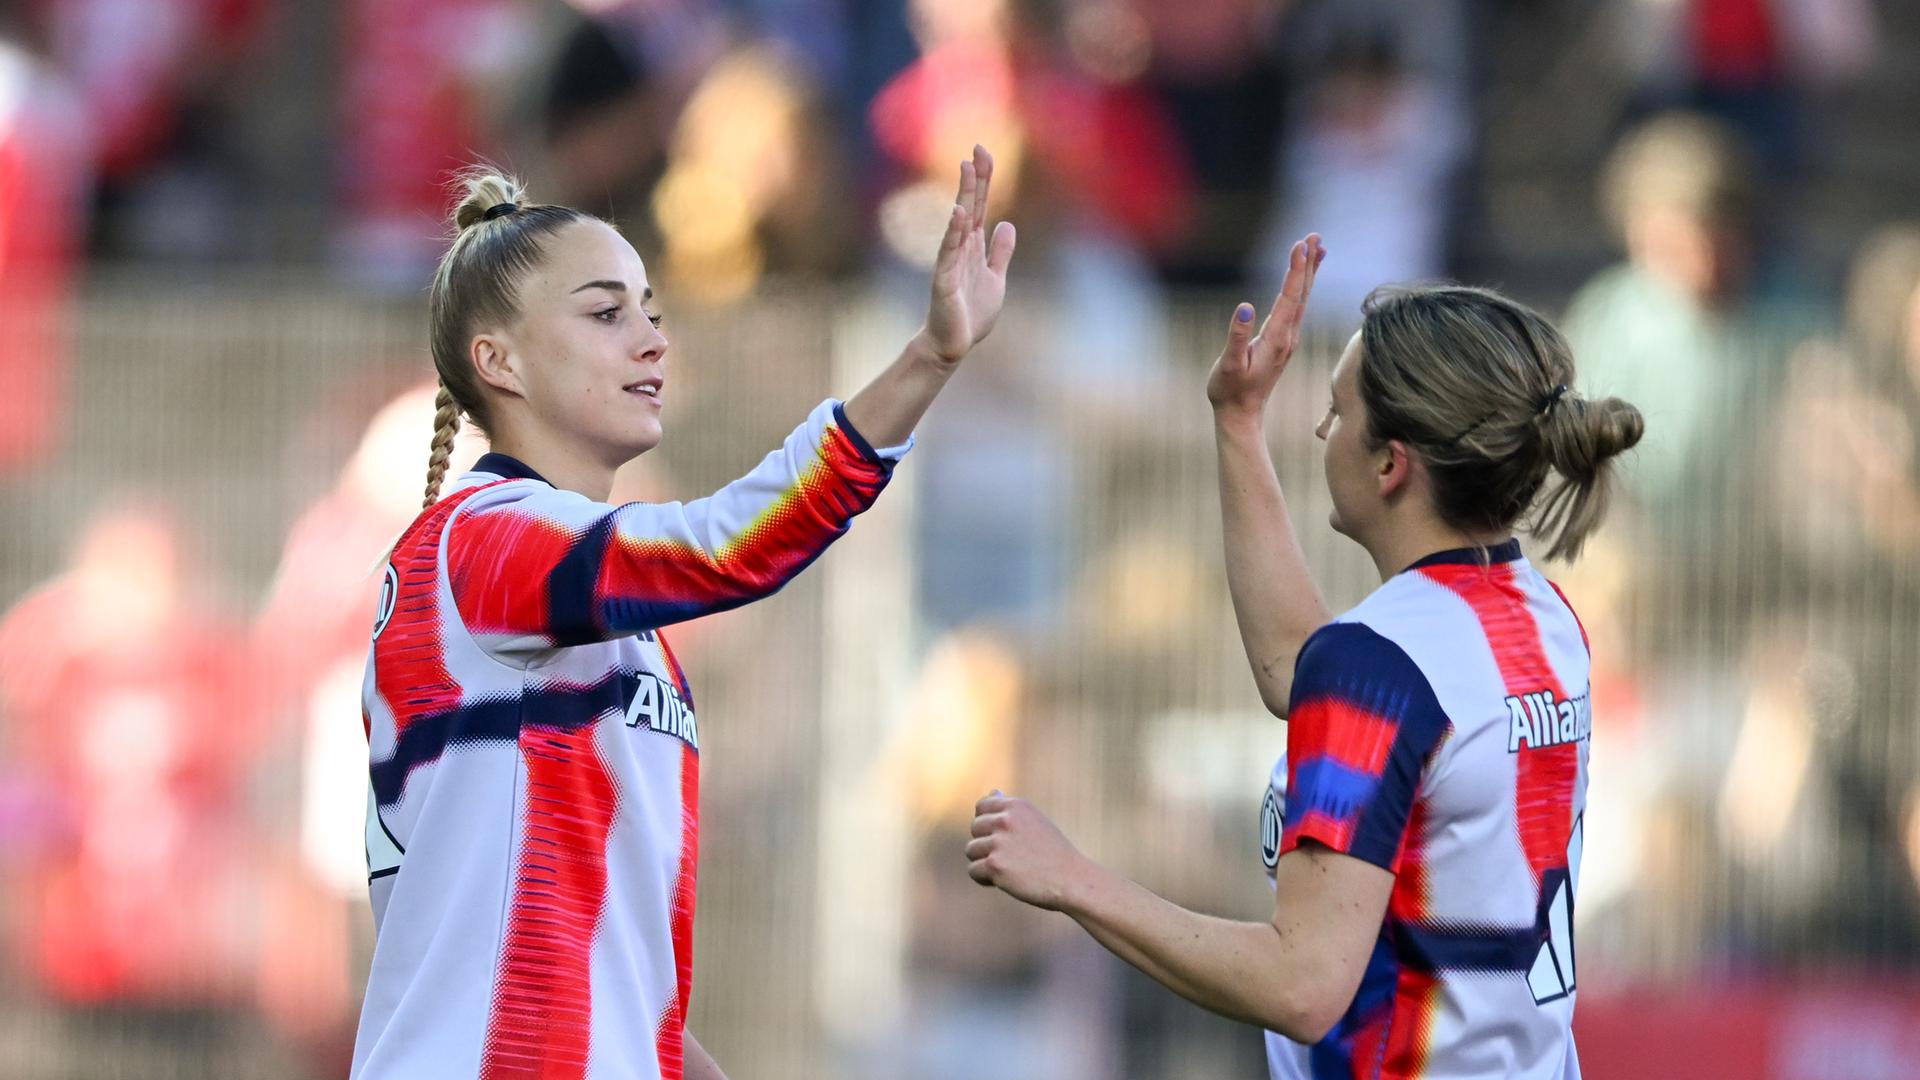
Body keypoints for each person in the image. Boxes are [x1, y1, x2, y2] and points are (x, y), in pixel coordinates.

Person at [353, 147, 1015, 1080]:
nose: (653, 340)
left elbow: (622, 989)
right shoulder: (482, 539)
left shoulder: (619, 627)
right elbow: (729, 546)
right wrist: (928, 358)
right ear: (495, 360)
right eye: (605, 313)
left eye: (650, 312)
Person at [967, 234, 1644, 1078]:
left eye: (1338, 411)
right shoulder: (1543, 618)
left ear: (1391, 464)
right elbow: (1303, 670)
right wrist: (1237, 425)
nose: (1323, 430)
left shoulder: (1378, 668)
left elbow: (1302, 985)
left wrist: (1072, 879)